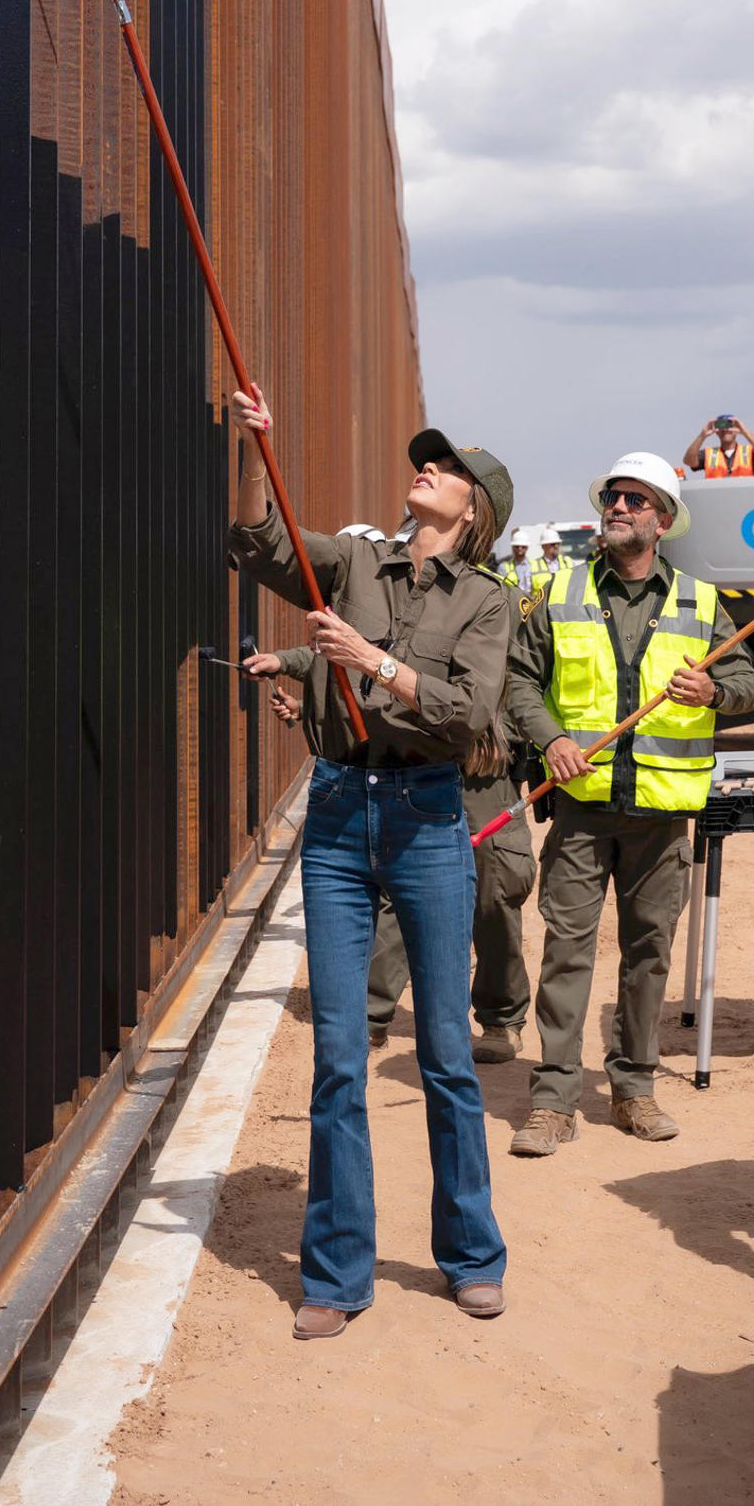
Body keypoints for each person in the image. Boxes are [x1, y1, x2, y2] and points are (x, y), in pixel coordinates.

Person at [227, 387, 512, 1335]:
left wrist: (368, 663)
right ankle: (334, 1275)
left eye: (446, 468)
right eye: (422, 460)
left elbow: (468, 714)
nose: (422, 467)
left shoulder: (486, 601)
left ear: (472, 510)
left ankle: (470, 1255)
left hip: (430, 820)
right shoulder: (355, 561)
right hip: (342, 815)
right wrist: (251, 446)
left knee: (444, 1056)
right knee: (339, 1058)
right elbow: (266, 546)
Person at [505, 450, 754, 1156]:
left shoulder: (701, 603)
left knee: (647, 955)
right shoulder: (557, 594)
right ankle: (553, 1099)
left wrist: (714, 693)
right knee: (566, 952)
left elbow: (747, 685)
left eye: (633, 500)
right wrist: (550, 738)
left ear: (663, 520)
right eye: (611, 497)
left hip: (660, 818)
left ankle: (633, 1091)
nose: (617, 508)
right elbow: (521, 682)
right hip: (584, 810)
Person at [254, 576, 538, 1067]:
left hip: (484, 771)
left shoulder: (508, 599)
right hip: (418, 765)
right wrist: (295, 682)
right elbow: (356, 660)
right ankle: (372, 1014)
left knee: (493, 892)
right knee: (397, 890)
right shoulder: (409, 584)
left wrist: (533, 738)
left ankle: (499, 1016)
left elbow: (532, 679)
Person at [683, 415, 754, 478]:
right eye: (722, 426)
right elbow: (689, 461)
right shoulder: (709, 454)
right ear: (716, 431)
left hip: (745, 497)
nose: (725, 429)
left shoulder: (748, 452)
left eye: (730, 425)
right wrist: (702, 435)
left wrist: (745, 432)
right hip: (716, 498)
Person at [500, 528, 536, 593]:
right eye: (517, 546)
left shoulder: (534, 565)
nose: (520, 548)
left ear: (527, 547)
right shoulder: (503, 567)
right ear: (512, 547)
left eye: (523, 546)